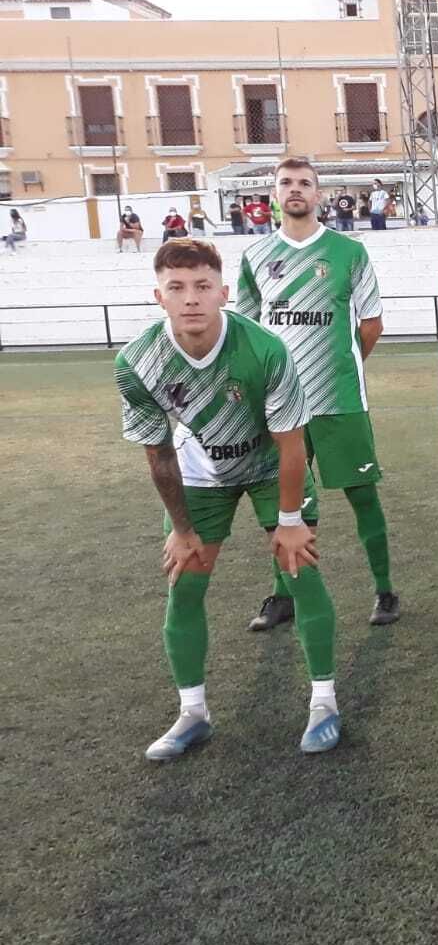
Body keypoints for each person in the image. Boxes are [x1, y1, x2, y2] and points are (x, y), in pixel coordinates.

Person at [115, 238, 341, 761]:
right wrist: (181, 527)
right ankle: (192, 713)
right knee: (186, 582)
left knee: (300, 570)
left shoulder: (265, 349)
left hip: (270, 467)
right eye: (177, 288)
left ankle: (325, 703)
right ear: (159, 296)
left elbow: (292, 443)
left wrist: (288, 520)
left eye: (201, 287)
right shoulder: (138, 361)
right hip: (200, 474)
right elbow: (159, 454)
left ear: (223, 292)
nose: (190, 298)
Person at [234, 157, 398, 630]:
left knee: (362, 494)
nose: (296, 190)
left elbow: (371, 324)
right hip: (281, 405)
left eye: (305, 183)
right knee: (284, 503)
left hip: (340, 399)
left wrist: (343, 368)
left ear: (319, 194)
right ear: (274, 194)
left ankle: (385, 590)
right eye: (286, 183)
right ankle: (283, 594)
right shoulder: (257, 257)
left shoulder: (349, 252)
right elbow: (246, 329)